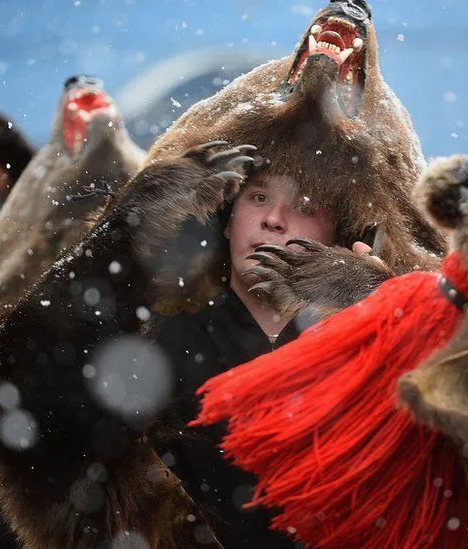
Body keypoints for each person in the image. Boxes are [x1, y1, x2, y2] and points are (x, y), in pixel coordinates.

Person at [154, 172, 380, 548]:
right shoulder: (159, 340)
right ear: (227, 223)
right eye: (258, 198)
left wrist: (385, 314)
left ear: (338, 240)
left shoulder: (365, 341)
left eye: (305, 206)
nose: (273, 218)